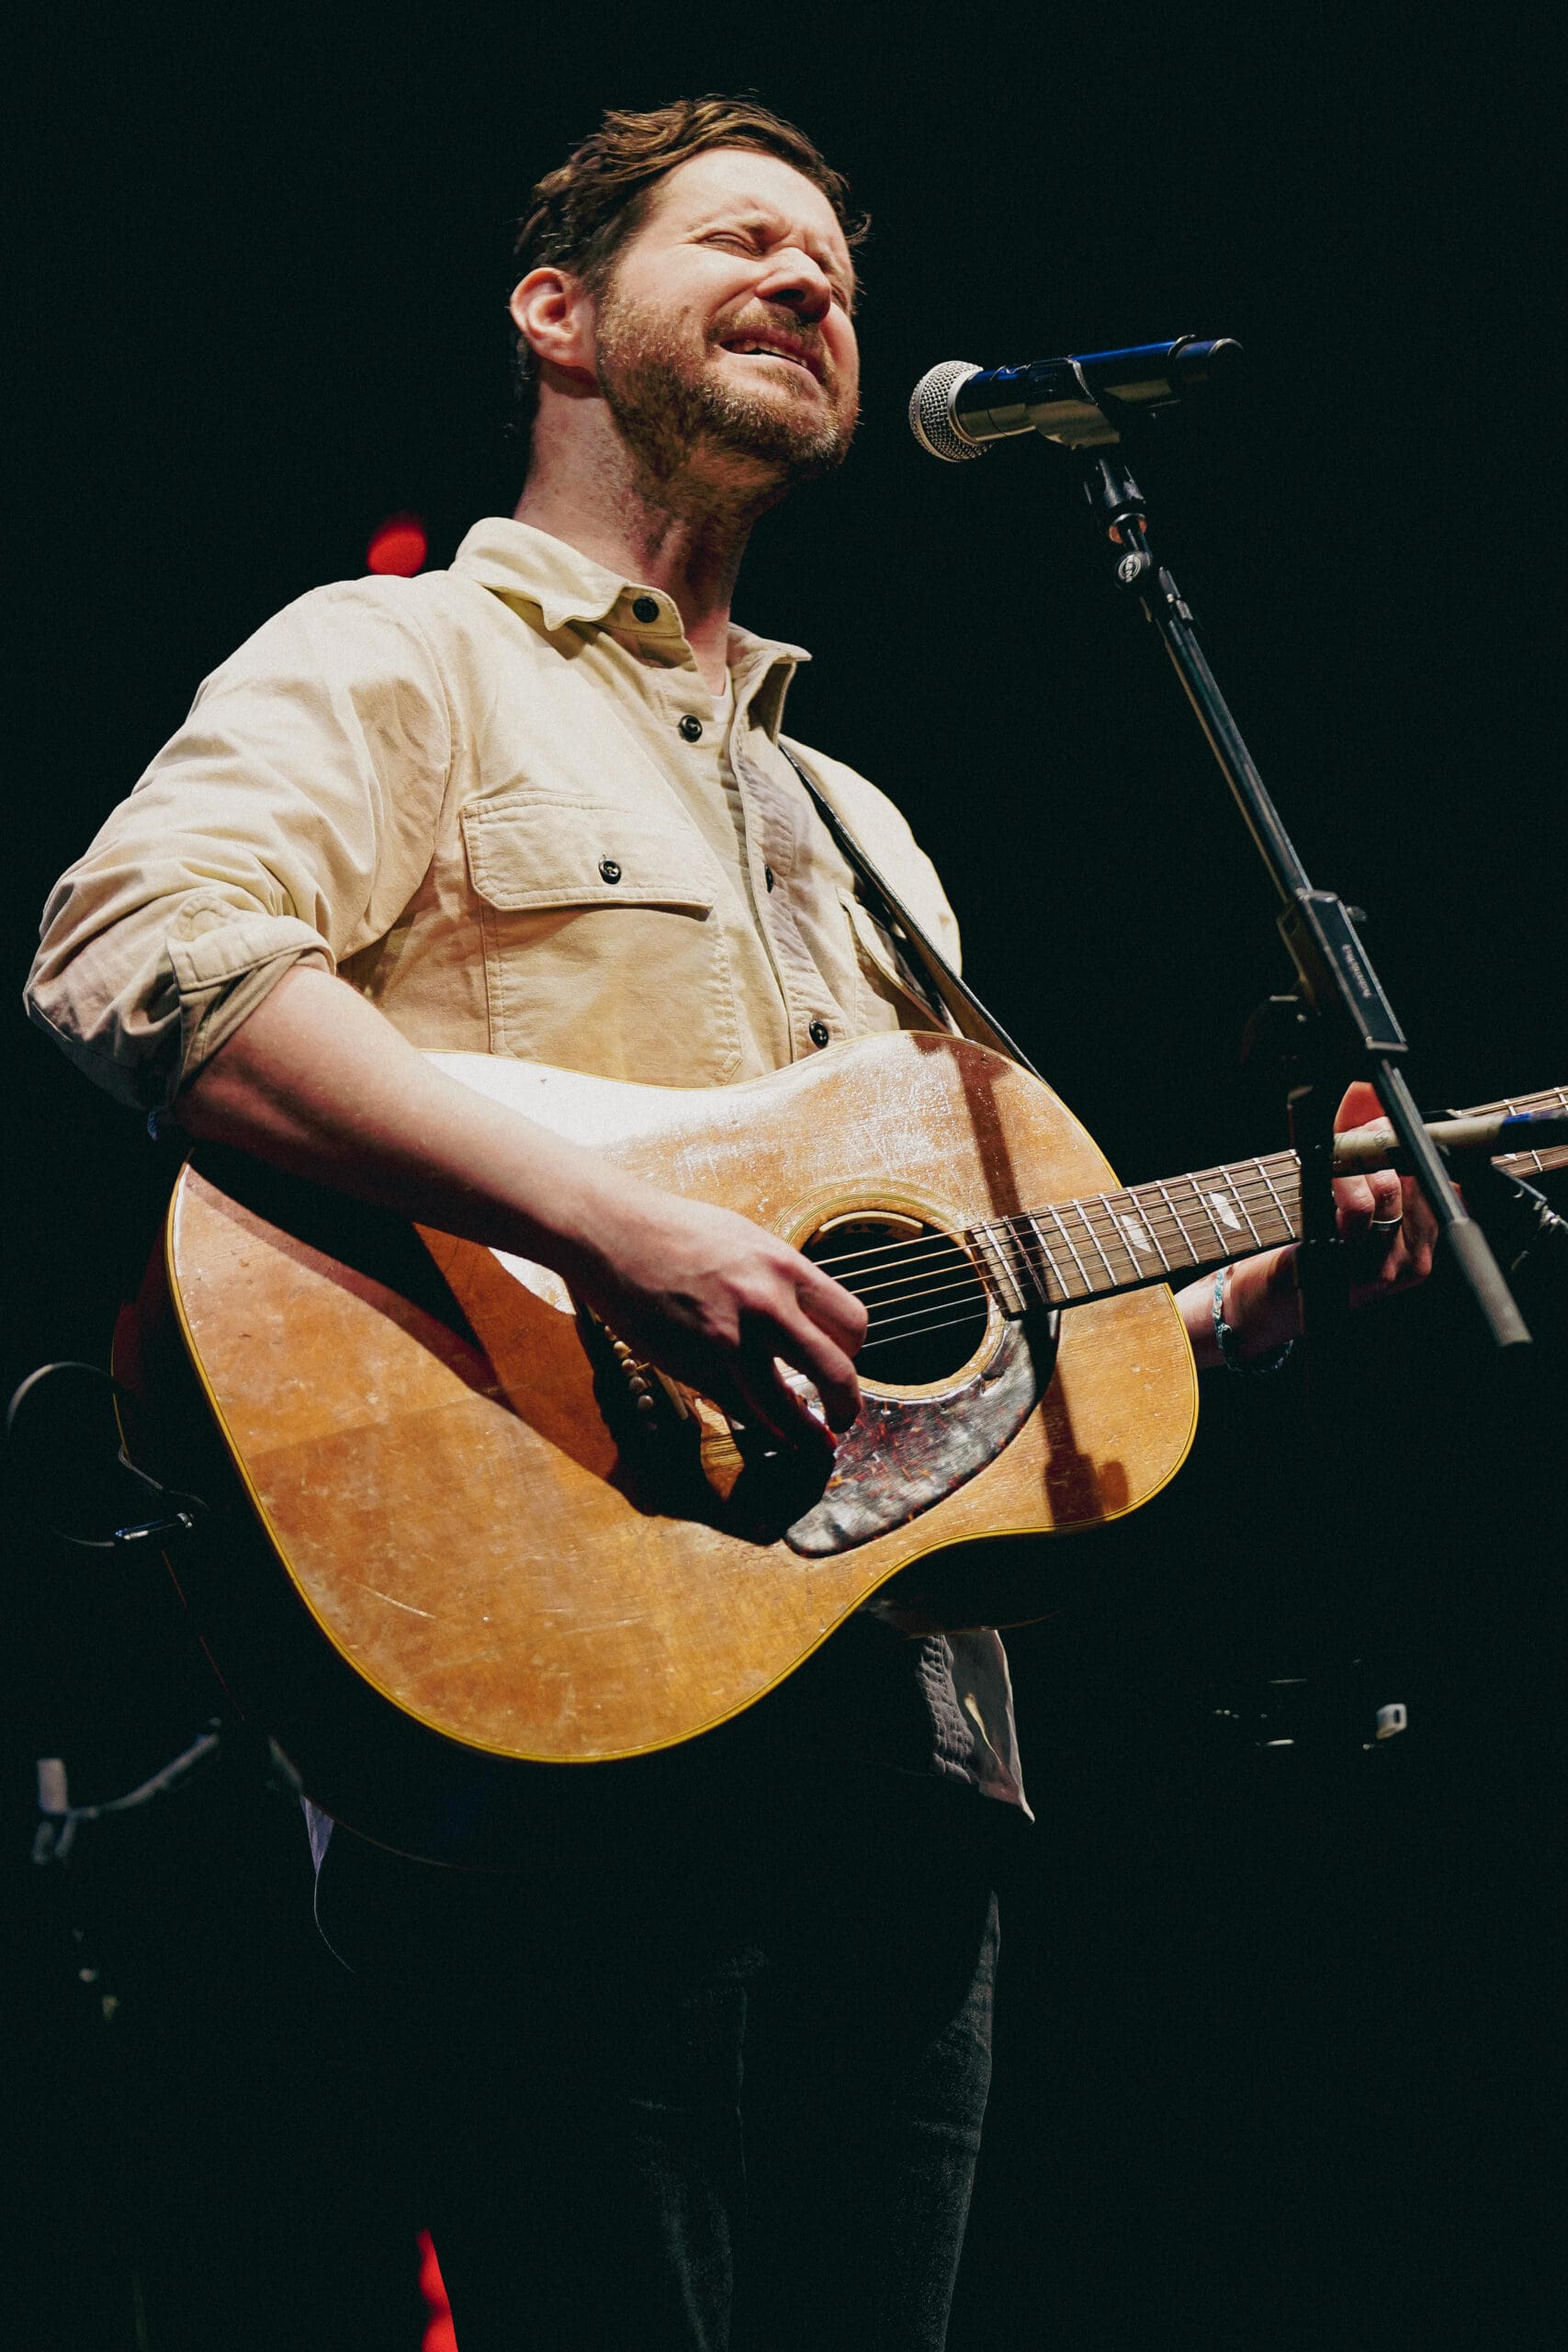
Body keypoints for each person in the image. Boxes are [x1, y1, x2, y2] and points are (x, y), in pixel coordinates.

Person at [25, 96, 1434, 2352]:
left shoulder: (852, 812)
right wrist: (601, 1225)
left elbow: (953, 1296)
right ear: (556, 310)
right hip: (552, 1705)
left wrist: (1256, 1288)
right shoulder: (401, 661)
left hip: (903, 1748)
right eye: (745, 241)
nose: (813, 287)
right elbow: (138, 950)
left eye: (839, 274)